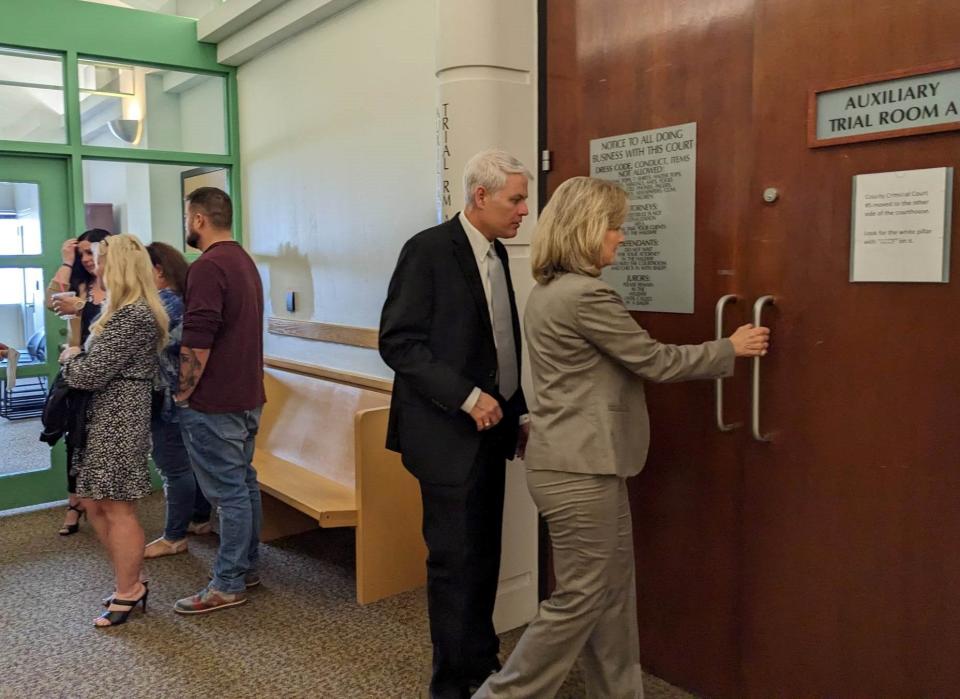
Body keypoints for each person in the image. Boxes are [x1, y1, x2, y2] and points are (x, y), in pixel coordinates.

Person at [473, 177, 771, 699]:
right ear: (588, 231)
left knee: (611, 595)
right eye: (615, 227)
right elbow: (653, 360)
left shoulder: (549, 290)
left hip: (585, 463)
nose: (621, 238)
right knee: (582, 599)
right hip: (577, 470)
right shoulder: (585, 295)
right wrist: (730, 347)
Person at [379, 149, 532, 699]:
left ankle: (481, 663)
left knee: (484, 554)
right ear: (481, 196)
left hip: (492, 433)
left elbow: (499, 345)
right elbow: (398, 342)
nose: (523, 211)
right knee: (453, 563)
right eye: (516, 200)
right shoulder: (427, 250)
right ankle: (451, 685)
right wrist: (468, 398)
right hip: (446, 435)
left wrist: (516, 411)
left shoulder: (498, 253)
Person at [59, 234, 169, 627]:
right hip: (103, 416)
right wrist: (78, 355)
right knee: (92, 501)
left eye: (101, 259)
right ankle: (131, 578)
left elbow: (88, 372)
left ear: (119, 266)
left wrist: (70, 358)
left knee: (117, 507)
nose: (96, 265)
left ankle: (129, 589)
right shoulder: (117, 311)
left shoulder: (134, 315)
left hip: (119, 419)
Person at [172, 187, 266, 615]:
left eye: (186, 217)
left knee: (228, 494)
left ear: (197, 220)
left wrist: (183, 392)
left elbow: (199, 337)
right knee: (243, 484)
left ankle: (227, 582)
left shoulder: (208, 266)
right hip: (247, 395)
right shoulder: (243, 261)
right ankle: (244, 566)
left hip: (216, 402)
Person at [142, 242, 212, 559]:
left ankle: (174, 536)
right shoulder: (183, 300)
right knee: (189, 463)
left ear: (157, 270)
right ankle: (198, 520)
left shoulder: (163, 305)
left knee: (174, 468)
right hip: (184, 397)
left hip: (167, 398)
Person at [46, 228, 113, 536]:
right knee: (75, 441)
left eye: (92, 252)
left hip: (111, 378)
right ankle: (74, 503)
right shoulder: (81, 286)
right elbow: (52, 301)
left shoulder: (120, 286)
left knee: (105, 445)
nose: (87, 259)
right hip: (80, 372)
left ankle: (107, 505)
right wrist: (65, 261)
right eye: (83, 253)